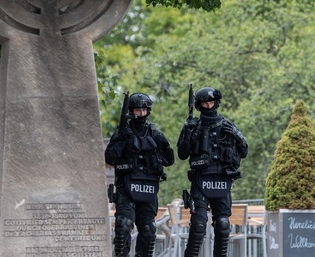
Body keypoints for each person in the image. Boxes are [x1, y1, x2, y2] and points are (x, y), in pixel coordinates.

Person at [177, 87, 248, 256]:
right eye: (204, 103)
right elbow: (181, 154)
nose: (208, 106)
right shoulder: (193, 126)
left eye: (211, 102)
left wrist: (237, 135)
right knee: (198, 225)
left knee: (223, 224)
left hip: (222, 182)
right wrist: (187, 133)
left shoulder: (227, 125)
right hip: (200, 181)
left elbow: (244, 151)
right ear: (199, 105)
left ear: (216, 103)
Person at [105, 92, 175, 257]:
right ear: (131, 111)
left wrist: (164, 143)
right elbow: (110, 157)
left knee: (148, 229)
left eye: (143, 110)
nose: (141, 114)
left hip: (149, 189)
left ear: (148, 111)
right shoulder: (123, 133)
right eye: (137, 110)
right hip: (127, 188)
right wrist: (123, 138)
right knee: (123, 225)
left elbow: (169, 160)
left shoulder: (154, 133)